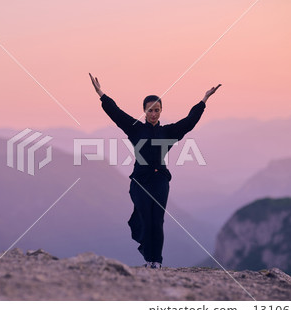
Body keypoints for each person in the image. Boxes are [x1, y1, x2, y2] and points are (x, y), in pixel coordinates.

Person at [89, 73, 221, 269]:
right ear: (144, 111)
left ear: (161, 111)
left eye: (157, 110)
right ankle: (148, 257)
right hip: (140, 180)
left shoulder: (167, 132)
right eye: (150, 110)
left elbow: (189, 121)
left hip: (160, 180)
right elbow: (116, 113)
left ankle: (156, 261)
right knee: (145, 216)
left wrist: (204, 100)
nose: (153, 114)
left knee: (157, 220)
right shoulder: (135, 129)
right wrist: (101, 93)